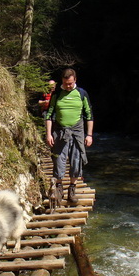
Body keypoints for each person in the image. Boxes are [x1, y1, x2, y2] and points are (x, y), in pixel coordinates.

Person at [45, 68, 94, 203]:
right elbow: (49, 115)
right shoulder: (57, 93)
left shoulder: (82, 93)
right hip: (60, 131)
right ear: (62, 81)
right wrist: (48, 134)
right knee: (59, 160)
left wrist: (89, 135)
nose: (68, 86)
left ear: (75, 80)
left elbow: (89, 115)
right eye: (66, 83)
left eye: (70, 83)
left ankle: (72, 189)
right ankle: (59, 188)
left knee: (76, 161)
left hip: (77, 131)